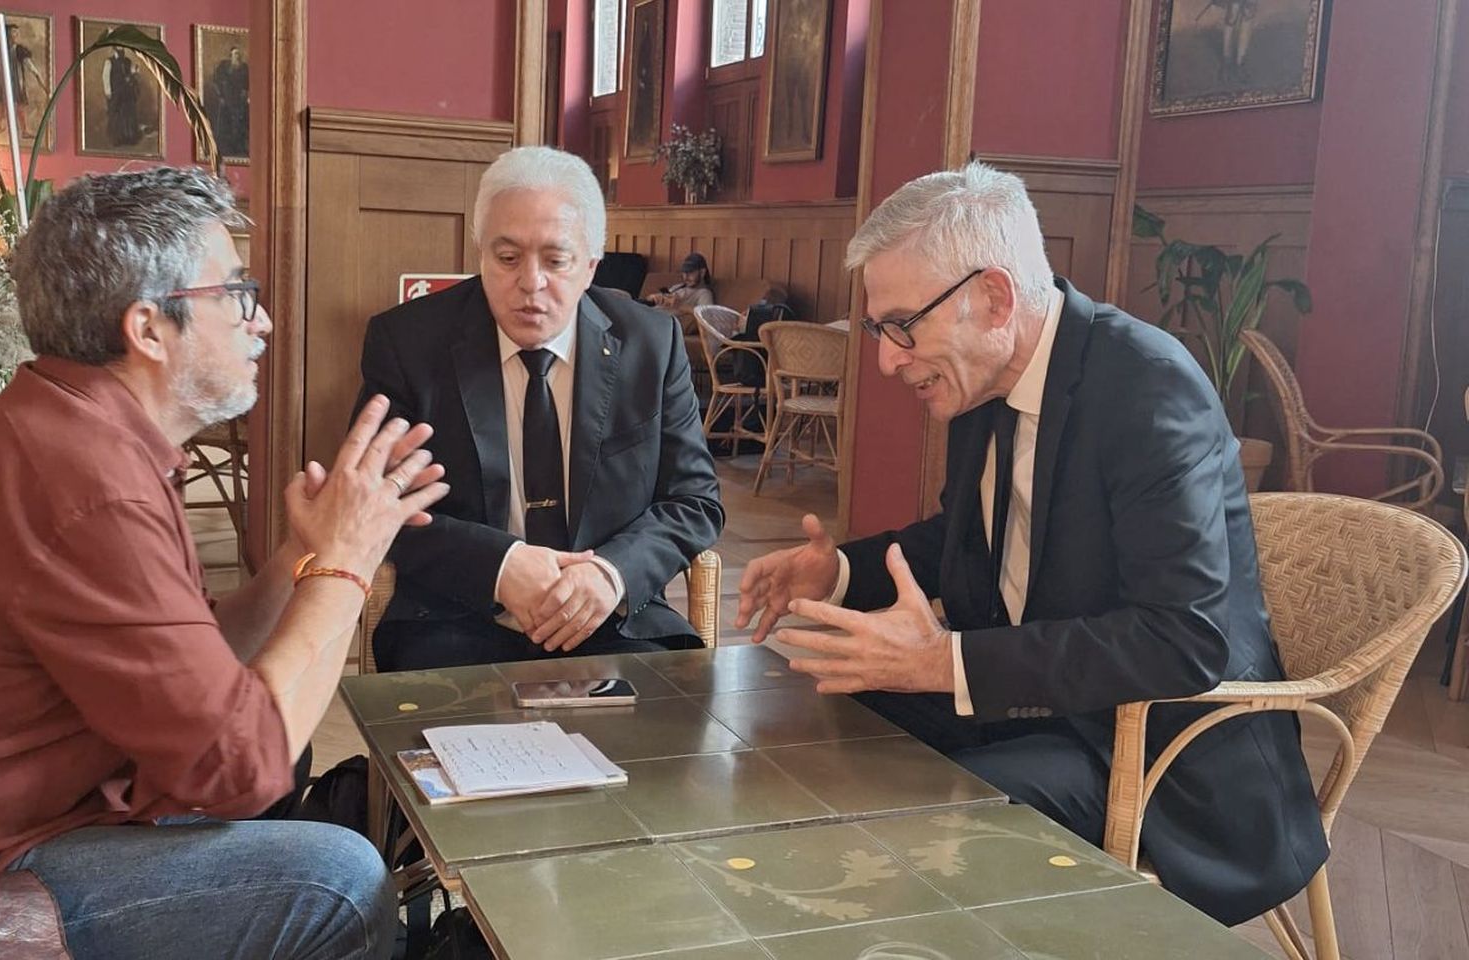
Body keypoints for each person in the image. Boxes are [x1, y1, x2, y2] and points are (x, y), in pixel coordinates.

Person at [0, 167, 450, 960]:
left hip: (19, 802)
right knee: (335, 879)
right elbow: (241, 764)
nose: (265, 321)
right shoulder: (86, 481)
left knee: (295, 744)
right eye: (237, 293)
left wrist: (302, 555)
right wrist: (345, 567)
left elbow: (196, 668)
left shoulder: (59, 428)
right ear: (148, 328)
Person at [735, 162, 1327, 926]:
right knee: (826, 732)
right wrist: (840, 570)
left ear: (994, 299)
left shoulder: (1147, 389)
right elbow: (966, 534)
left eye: (901, 326)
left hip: (1152, 753)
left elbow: (1184, 640)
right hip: (1040, 705)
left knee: (913, 815)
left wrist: (942, 662)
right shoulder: (981, 378)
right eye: (882, 329)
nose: (886, 358)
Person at [355, 145, 724, 671]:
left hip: (612, 622)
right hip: (458, 621)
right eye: (507, 259)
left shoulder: (650, 344)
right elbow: (373, 507)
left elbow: (695, 501)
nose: (531, 284)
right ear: (480, 253)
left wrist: (610, 574)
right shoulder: (408, 342)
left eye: (556, 261)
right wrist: (501, 566)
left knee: (661, 739)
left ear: (591, 266)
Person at [645, 252, 714, 313]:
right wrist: (653, 297)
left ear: (702, 272)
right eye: (684, 273)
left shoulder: (704, 293)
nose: (685, 277)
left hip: (660, 321)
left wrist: (680, 305)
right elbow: (652, 299)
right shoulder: (678, 287)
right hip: (649, 312)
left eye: (690, 273)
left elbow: (706, 316)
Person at [103, 47, 141, 146]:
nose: (121, 52)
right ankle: (116, 139)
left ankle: (129, 137)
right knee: (116, 115)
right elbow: (106, 77)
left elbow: (132, 73)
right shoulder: (109, 62)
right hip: (116, 93)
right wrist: (108, 91)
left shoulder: (128, 61)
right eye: (119, 50)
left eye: (122, 50)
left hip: (127, 93)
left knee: (128, 114)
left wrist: (134, 72)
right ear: (114, 50)